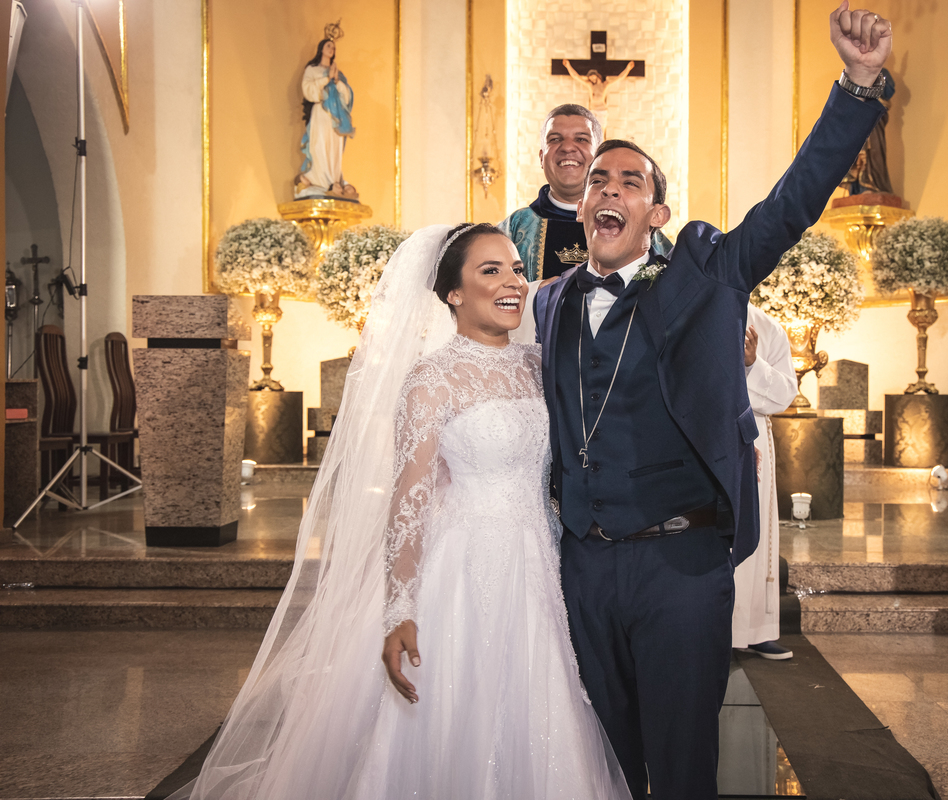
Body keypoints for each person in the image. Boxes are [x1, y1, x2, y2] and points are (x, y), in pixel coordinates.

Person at [532, 5, 890, 797]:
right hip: (583, 563)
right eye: (598, 180)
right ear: (581, 208)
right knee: (604, 758)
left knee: (685, 762)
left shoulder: (705, 277)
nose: (610, 189)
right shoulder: (550, 302)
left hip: (680, 562)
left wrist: (858, 85)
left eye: (632, 181)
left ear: (655, 215)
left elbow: (791, 204)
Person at [173, 225, 631, 799]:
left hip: (542, 562)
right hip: (462, 570)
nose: (513, 282)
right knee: (456, 714)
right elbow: (410, 503)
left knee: (540, 707)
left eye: (516, 268)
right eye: (490, 271)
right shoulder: (431, 379)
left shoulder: (539, 365)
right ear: (453, 294)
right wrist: (400, 608)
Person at [499, 105, 670, 283]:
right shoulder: (513, 228)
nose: (567, 148)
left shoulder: (646, 231)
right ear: (541, 157)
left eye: (581, 139)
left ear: (598, 156)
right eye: (555, 139)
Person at [733, 304, 798, 659]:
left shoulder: (766, 325)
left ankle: (755, 627)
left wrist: (752, 364)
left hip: (751, 433)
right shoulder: (687, 304)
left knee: (751, 531)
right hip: (696, 435)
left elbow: (786, 394)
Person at [295, 38, 357, 200]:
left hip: (335, 117)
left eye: (334, 47)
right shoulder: (312, 69)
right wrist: (326, 79)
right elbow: (308, 90)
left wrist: (336, 80)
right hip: (321, 113)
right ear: (321, 48)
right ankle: (319, 181)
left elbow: (347, 97)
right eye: (329, 46)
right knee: (320, 144)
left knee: (334, 150)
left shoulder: (338, 73)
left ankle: (334, 182)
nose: (331, 49)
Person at [563, 59, 636, 135]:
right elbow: (576, 76)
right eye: (590, 77)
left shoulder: (605, 85)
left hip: (602, 111)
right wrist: (568, 65)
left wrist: (628, 68)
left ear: (597, 75)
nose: (591, 78)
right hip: (593, 111)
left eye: (592, 76)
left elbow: (619, 78)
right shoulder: (590, 85)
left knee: (601, 132)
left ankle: (601, 146)